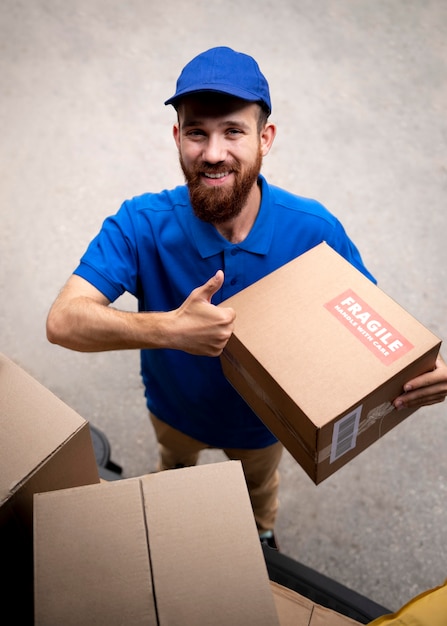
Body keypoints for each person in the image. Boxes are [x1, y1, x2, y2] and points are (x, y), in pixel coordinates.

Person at [46, 46, 447, 550]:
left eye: (233, 131)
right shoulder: (139, 224)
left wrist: (424, 371)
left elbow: (373, 333)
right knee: (173, 469)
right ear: (178, 137)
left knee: (256, 487)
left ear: (265, 137)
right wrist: (169, 328)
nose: (213, 152)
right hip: (175, 411)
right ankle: (173, 510)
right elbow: (63, 321)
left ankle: (260, 531)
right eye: (197, 132)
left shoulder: (315, 231)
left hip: (265, 425)